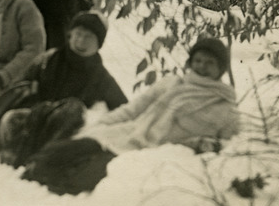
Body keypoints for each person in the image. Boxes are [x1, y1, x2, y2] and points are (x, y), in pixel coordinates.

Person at [21, 37, 241, 195]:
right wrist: (101, 125)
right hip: (127, 135)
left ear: (221, 68)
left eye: (210, 63)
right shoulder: (173, 83)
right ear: (191, 62)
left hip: (156, 154)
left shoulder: (225, 107)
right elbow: (133, 109)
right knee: (58, 152)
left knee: (88, 176)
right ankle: (36, 171)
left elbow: (226, 146)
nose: (202, 67)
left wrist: (196, 145)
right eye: (199, 60)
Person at [0, 11, 127, 163]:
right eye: (78, 34)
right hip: (33, 120)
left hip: (63, 131)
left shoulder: (101, 77)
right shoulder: (49, 59)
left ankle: (42, 158)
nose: (81, 41)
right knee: (12, 115)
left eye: (88, 37)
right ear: (70, 35)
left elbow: (124, 108)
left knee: (73, 108)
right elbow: (17, 88)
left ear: (99, 44)